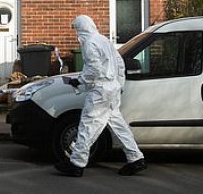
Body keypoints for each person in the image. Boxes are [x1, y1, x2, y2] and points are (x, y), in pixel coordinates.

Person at [55, 15, 146, 177]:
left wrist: (78, 80)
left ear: (81, 29)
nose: (76, 34)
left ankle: (76, 163)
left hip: (100, 91)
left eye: (76, 30)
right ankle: (136, 158)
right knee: (119, 126)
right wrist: (119, 85)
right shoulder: (104, 40)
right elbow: (119, 63)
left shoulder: (89, 44)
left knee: (87, 126)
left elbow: (94, 70)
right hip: (112, 89)